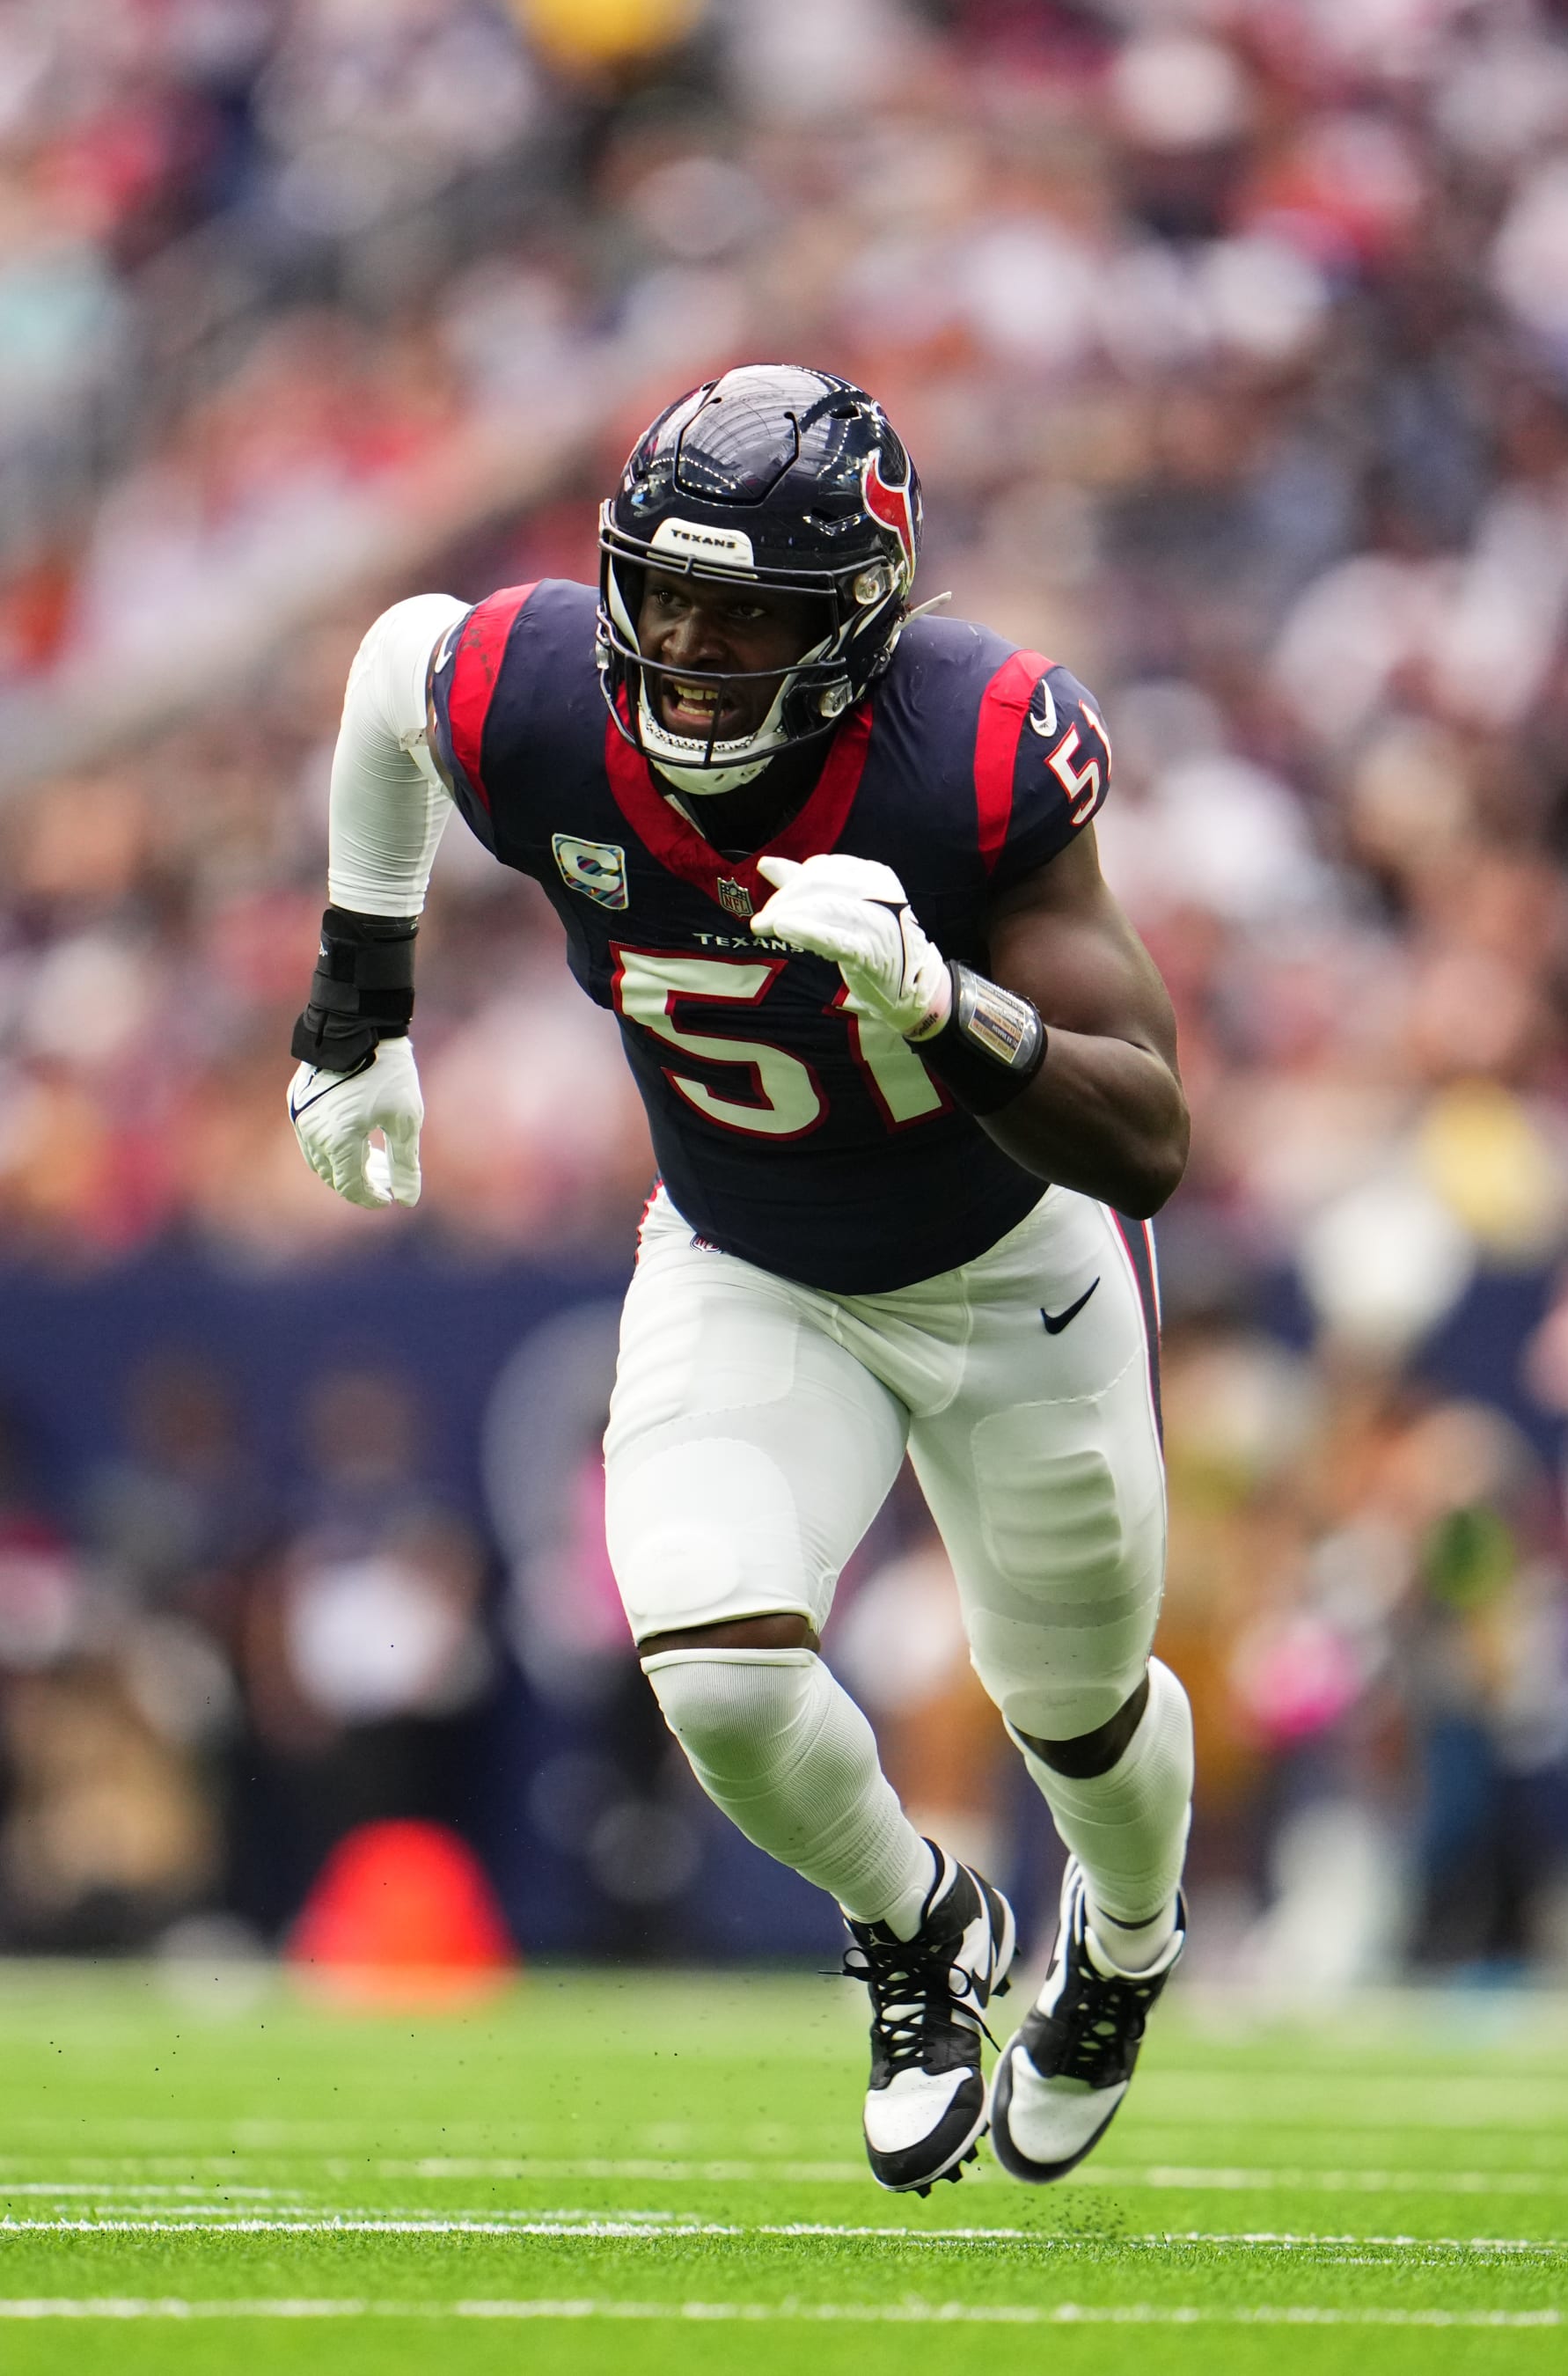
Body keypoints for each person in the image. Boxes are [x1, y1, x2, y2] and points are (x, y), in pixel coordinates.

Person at [287, 364, 1194, 2196]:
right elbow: (396, 672)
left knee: (1075, 1714)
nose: (689, 649)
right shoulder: (544, 699)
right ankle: (922, 1932)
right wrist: (356, 999)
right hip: (747, 1251)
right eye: (665, 596)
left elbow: (1151, 1132)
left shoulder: (975, 747)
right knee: (710, 1664)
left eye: (747, 614)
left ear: (855, 629)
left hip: (1011, 1264)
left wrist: (947, 1001)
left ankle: (1125, 1946)